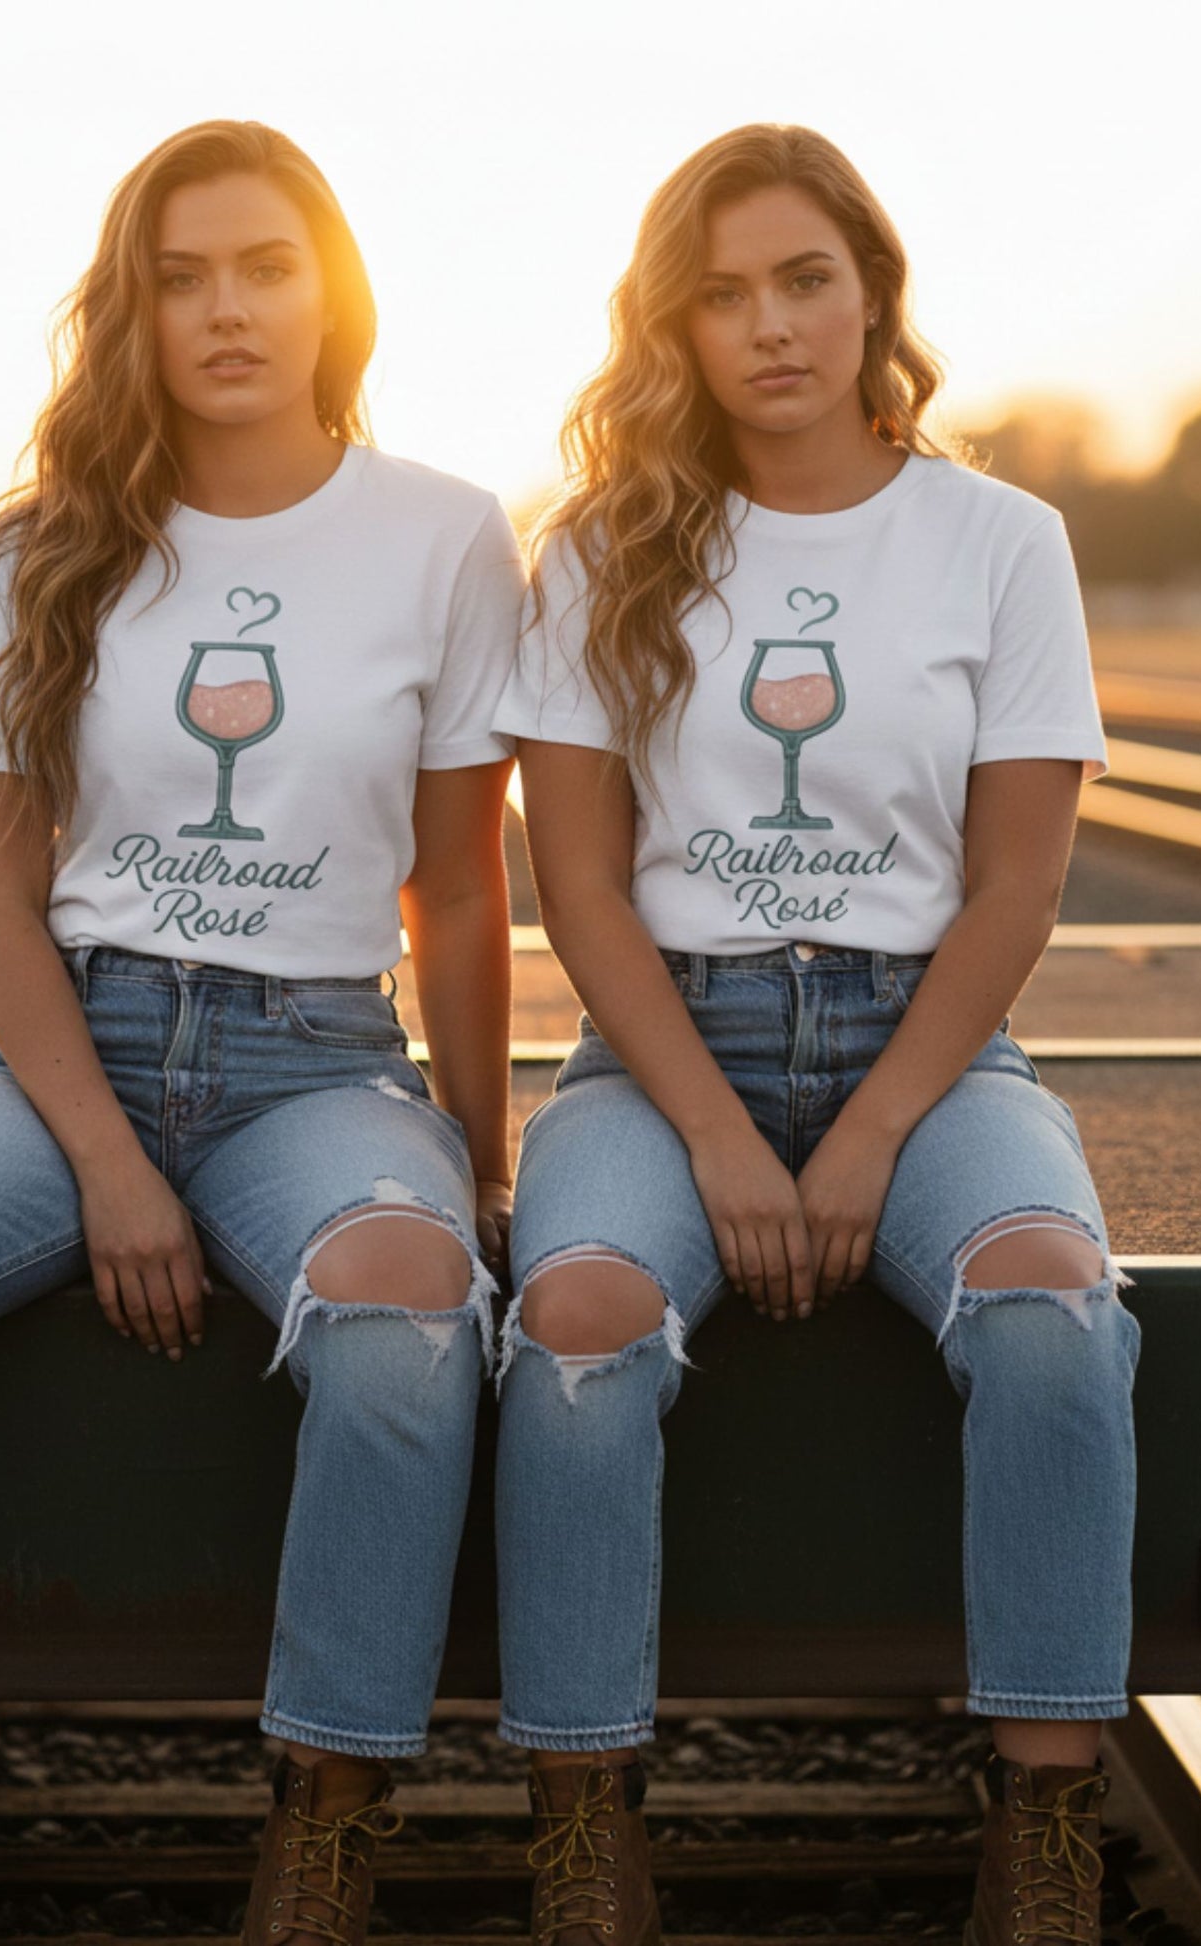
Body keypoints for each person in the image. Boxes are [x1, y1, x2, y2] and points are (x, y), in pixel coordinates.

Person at [0, 119, 522, 1946]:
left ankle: (317, 1834)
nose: (224, 310)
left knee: (406, 1312)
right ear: (132, 312)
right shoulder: (42, 545)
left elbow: (459, 896)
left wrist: (479, 1161)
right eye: (179, 277)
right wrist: (101, 1163)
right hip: (67, 1044)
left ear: (335, 291)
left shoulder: (448, 538)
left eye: (264, 267)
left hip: (316, 1066)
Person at [492, 124, 1139, 1946]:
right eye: (717, 295)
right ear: (671, 328)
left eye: (802, 280)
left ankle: (1042, 1834)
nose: (766, 325)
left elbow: (1012, 888)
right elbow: (583, 894)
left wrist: (864, 1134)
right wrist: (713, 1133)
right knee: (577, 1318)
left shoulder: (1001, 541)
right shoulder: (605, 547)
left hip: (921, 1044)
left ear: (871, 296)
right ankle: (585, 1825)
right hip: (665, 1046)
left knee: (1049, 1304)